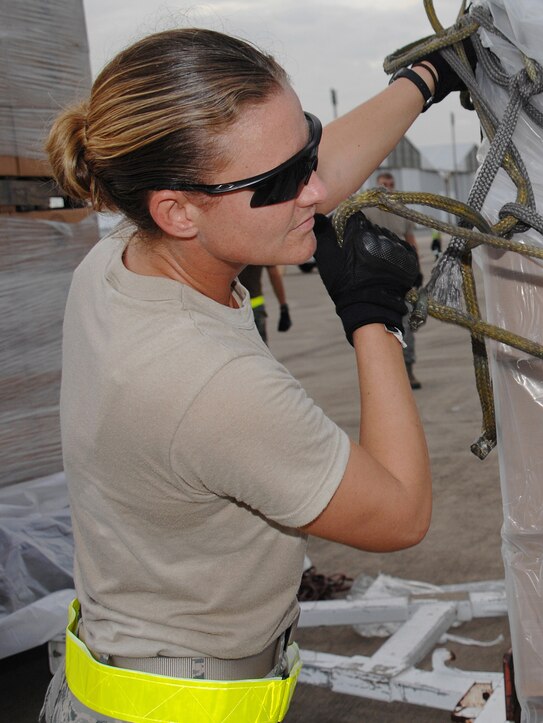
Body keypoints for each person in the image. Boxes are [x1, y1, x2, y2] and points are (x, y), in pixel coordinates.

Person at [42, 26, 466, 723]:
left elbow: (289, 174)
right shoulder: (208, 383)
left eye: (306, 149)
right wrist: (374, 318)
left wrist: (424, 81)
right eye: (283, 180)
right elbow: (401, 511)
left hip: (119, 677)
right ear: (176, 209)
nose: (317, 188)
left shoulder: (121, 257)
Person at [367, 171, 423, 389]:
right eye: (383, 184)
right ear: (376, 185)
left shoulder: (402, 208)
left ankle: (408, 370)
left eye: (390, 183)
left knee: (406, 322)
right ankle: (384, 374)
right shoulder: (366, 208)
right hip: (377, 273)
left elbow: (410, 240)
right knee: (379, 324)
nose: (387, 187)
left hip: (402, 272)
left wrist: (416, 268)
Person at [237, 264, 291, 342]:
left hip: (234, 308)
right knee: (261, 348)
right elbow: (274, 275)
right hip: (256, 307)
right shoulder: (261, 252)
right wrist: (283, 306)